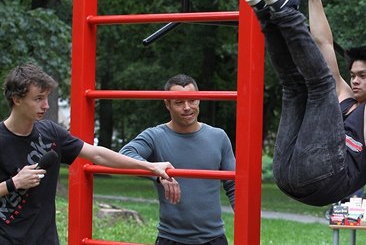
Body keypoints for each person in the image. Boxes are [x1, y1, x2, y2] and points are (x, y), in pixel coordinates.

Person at [245, 0, 366, 207]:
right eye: (352, 75)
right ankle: (266, 12)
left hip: (327, 181)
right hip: (287, 172)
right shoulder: (345, 98)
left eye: (363, 75)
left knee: (321, 85)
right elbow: (323, 44)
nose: (355, 80)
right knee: (295, 86)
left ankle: (286, 12)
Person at [0, 63, 173, 244]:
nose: (46, 105)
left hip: (45, 239)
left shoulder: (50, 132)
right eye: (38, 99)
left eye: (47, 97)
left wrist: (151, 166)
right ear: (16, 99)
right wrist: (15, 182)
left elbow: (97, 154)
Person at [120, 74, 236, 245]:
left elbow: (233, 184)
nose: (187, 107)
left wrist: (245, 223)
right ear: (167, 104)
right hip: (171, 238)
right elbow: (124, 154)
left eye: (192, 100)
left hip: (214, 238)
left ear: (200, 100)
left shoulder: (218, 136)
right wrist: (157, 173)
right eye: (179, 102)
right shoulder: (155, 136)